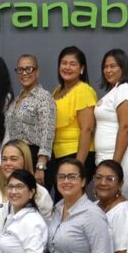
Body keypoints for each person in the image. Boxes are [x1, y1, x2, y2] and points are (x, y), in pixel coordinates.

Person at [0, 140, 53, 253]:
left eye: (13, 159)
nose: (8, 163)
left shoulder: (39, 192)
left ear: (25, 160)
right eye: (4, 159)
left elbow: (48, 231)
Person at [95, 49, 128, 199]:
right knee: (107, 206)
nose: (108, 70)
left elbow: (126, 127)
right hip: (107, 158)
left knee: (119, 204)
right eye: (105, 66)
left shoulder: (124, 90)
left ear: (123, 67)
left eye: (113, 66)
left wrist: (114, 166)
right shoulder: (114, 91)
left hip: (123, 159)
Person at [47, 46, 97, 194]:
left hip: (76, 154)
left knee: (69, 201)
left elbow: (87, 129)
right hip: (57, 155)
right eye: (64, 63)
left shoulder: (84, 90)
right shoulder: (56, 91)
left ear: (81, 68)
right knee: (59, 203)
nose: (67, 67)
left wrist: (78, 165)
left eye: (73, 64)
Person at [4, 54, 56, 182]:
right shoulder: (17, 100)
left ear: (37, 72)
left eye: (29, 69)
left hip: (35, 158)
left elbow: (47, 132)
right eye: (20, 69)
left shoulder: (44, 97)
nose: (24, 73)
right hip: (17, 158)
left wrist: (41, 165)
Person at [0, 169, 48, 253]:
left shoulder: (31, 221)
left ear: (31, 193)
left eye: (20, 187)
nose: (13, 191)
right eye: (10, 187)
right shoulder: (13, 216)